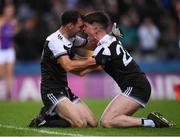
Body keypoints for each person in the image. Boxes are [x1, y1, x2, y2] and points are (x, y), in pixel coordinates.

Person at [82, 11, 174, 128]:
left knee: (107, 121)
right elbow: (96, 42)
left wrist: (66, 61)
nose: (83, 30)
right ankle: (150, 122)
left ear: (96, 27)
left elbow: (83, 71)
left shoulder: (104, 47)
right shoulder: (108, 41)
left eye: (85, 26)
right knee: (111, 120)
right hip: (136, 85)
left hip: (135, 87)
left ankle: (152, 123)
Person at [29, 10, 98, 128]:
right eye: (80, 26)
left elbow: (91, 45)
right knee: (79, 124)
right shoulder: (54, 41)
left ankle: (55, 114)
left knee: (92, 123)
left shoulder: (73, 38)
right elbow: (68, 66)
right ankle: (44, 119)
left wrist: (108, 38)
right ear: (70, 26)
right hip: (51, 91)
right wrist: (93, 60)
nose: (82, 29)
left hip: (64, 89)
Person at [0, 4, 18, 99]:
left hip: (9, 50)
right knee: (1, 73)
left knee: (9, 73)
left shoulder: (14, 22)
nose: (10, 12)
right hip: (1, 50)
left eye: (11, 10)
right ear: (5, 11)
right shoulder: (1, 21)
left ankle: (9, 94)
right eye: (9, 10)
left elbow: (14, 32)